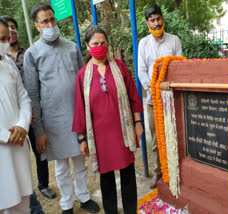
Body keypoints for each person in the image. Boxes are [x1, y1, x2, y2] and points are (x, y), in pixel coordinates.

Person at [23, 3, 99, 214]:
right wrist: (39, 131)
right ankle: (66, 203)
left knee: (80, 160)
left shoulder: (72, 47)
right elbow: (32, 94)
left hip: (76, 116)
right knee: (61, 166)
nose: (50, 24)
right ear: (37, 26)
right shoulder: (32, 54)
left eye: (52, 19)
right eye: (45, 21)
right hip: (52, 120)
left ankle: (84, 197)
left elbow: (83, 84)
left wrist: (86, 116)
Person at [72, 25, 144, 214]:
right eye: (95, 43)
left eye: (103, 43)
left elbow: (133, 97)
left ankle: (130, 211)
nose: (100, 46)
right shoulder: (82, 76)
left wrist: (138, 124)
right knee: (107, 181)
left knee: (128, 175)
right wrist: (82, 139)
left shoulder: (119, 67)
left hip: (123, 132)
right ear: (87, 46)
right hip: (99, 137)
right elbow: (80, 109)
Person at [2, 14, 54, 212]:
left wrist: (23, 124)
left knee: (38, 154)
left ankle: (42, 186)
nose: (7, 40)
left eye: (8, 36)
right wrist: (9, 133)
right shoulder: (6, 59)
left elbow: (24, 96)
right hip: (6, 136)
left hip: (25, 128)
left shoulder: (17, 60)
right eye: (2, 36)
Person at [138, 4, 182, 189]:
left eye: (158, 19)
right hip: (153, 101)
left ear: (163, 19)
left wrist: (168, 87)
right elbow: (141, 71)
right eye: (152, 20)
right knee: (157, 140)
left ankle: (175, 171)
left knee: (175, 135)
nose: (156, 23)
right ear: (147, 22)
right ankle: (159, 172)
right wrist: (153, 87)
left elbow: (180, 67)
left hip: (172, 99)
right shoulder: (144, 43)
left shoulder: (174, 40)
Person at [0, 17, 33, 214]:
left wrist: (22, 126)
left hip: (18, 145)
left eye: (5, 39)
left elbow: (24, 98)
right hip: (3, 148)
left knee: (22, 203)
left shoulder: (9, 66)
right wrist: (6, 136)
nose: (3, 44)